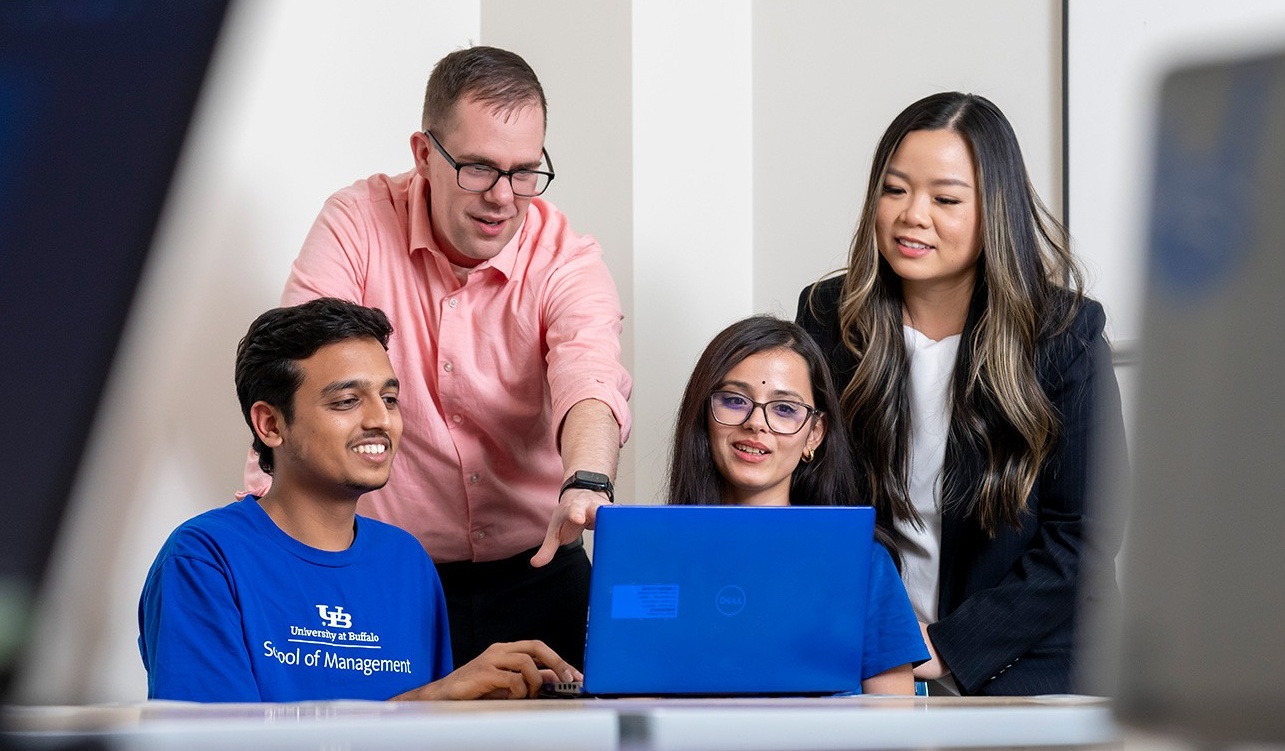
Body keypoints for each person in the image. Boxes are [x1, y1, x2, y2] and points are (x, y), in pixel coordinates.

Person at [244, 46, 632, 669]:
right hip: (385, 572)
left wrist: (587, 480)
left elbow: (589, 374)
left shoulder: (565, 257)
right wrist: (266, 539)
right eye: (478, 168)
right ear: (424, 154)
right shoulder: (358, 223)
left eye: (525, 171)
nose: (504, 197)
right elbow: (302, 373)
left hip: (539, 568)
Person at [797, 92, 1128, 696]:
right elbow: (812, 498)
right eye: (894, 190)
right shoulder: (827, 318)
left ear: (996, 211)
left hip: (1033, 667)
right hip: (868, 662)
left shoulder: (1063, 336)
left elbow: (1083, 536)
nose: (911, 215)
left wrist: (946, 646)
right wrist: (883, 643)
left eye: (945, 199)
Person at [140, 298, 581, 702]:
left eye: (389, 398)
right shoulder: (204, 559)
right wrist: (429, 703)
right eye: (347, 401)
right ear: (271, 425)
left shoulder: (406, 560)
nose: (380, 420)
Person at [666, 315, 928, 695]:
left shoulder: (859, 559)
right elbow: (636, 709)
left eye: (784, 408)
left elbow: (893, 722)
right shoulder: (656, 554)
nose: (756, 423)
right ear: (704, 415)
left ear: (814, 435)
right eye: (735, 401)